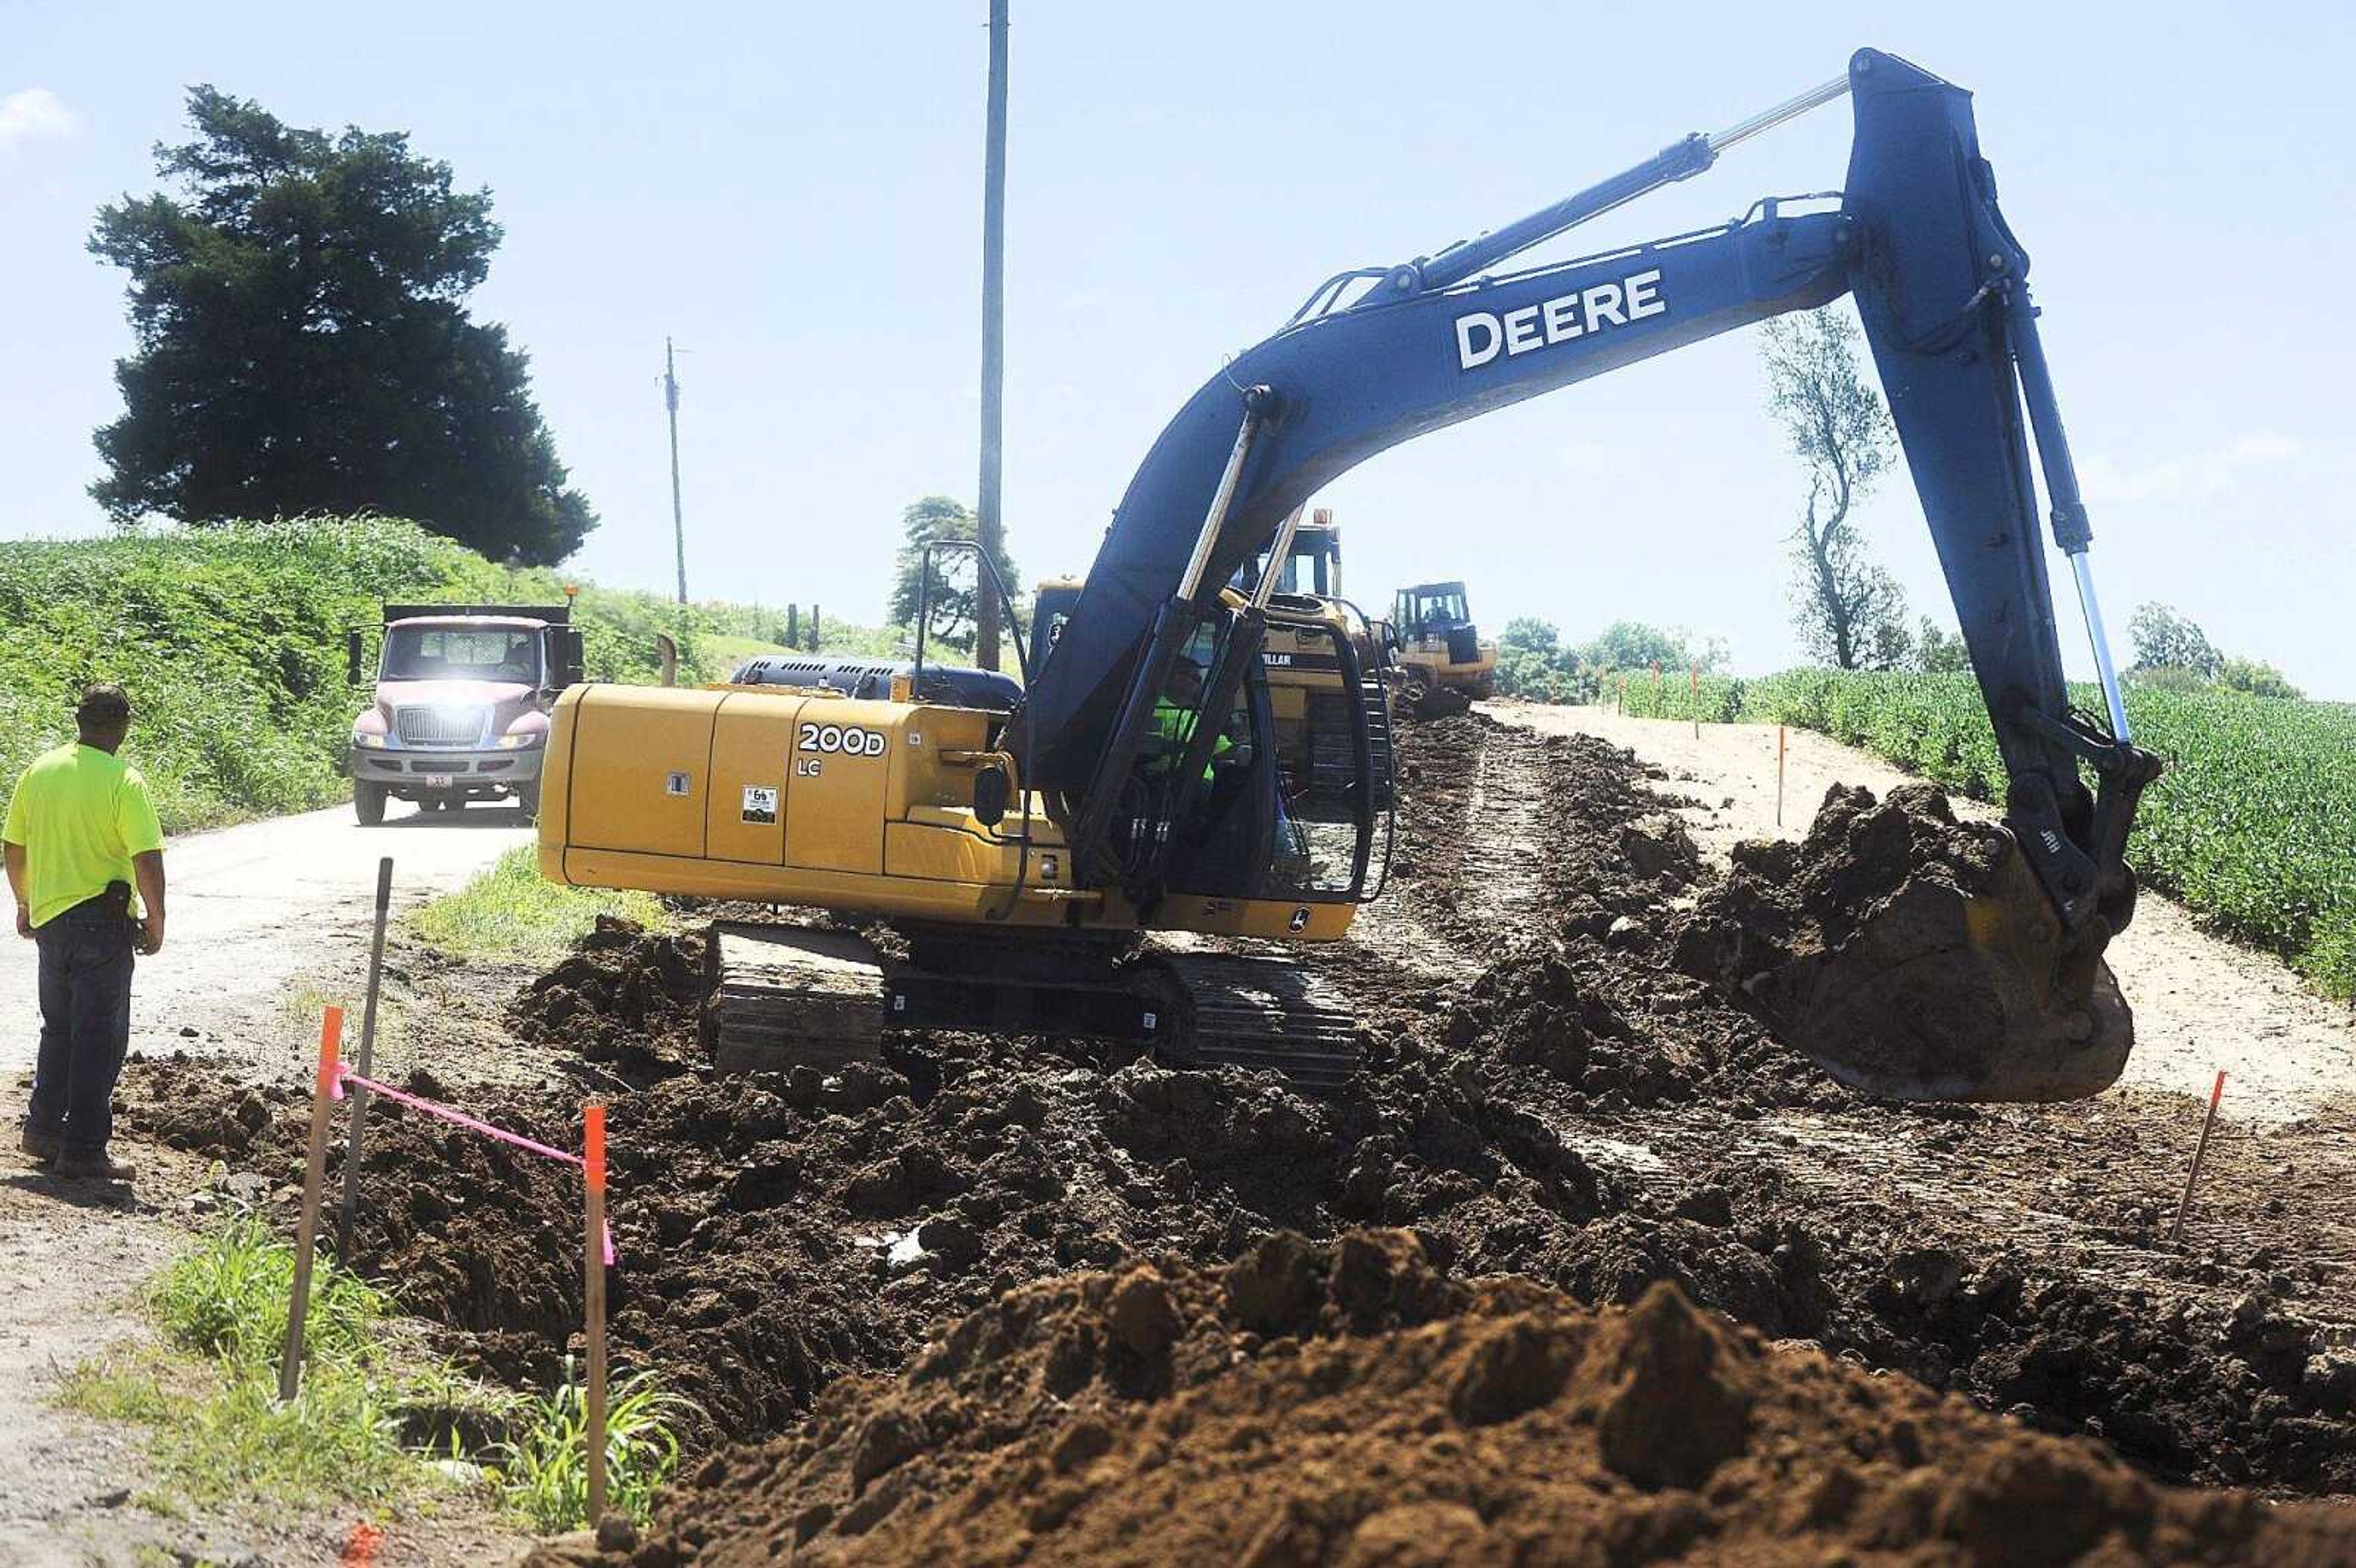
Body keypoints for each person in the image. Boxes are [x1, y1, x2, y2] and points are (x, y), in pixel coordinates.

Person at [4, 683, 166, 1181]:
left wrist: (26, 903)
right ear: (122, 726)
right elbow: (146, 858)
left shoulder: (40, 771)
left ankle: (43, 1130)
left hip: (52, 923)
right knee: (99, 1037)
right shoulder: (124, 781)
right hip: (103, 924)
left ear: (80, 721)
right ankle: (84, 1149)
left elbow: (13, 846)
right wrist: (157, 921)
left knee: (59, 1029)